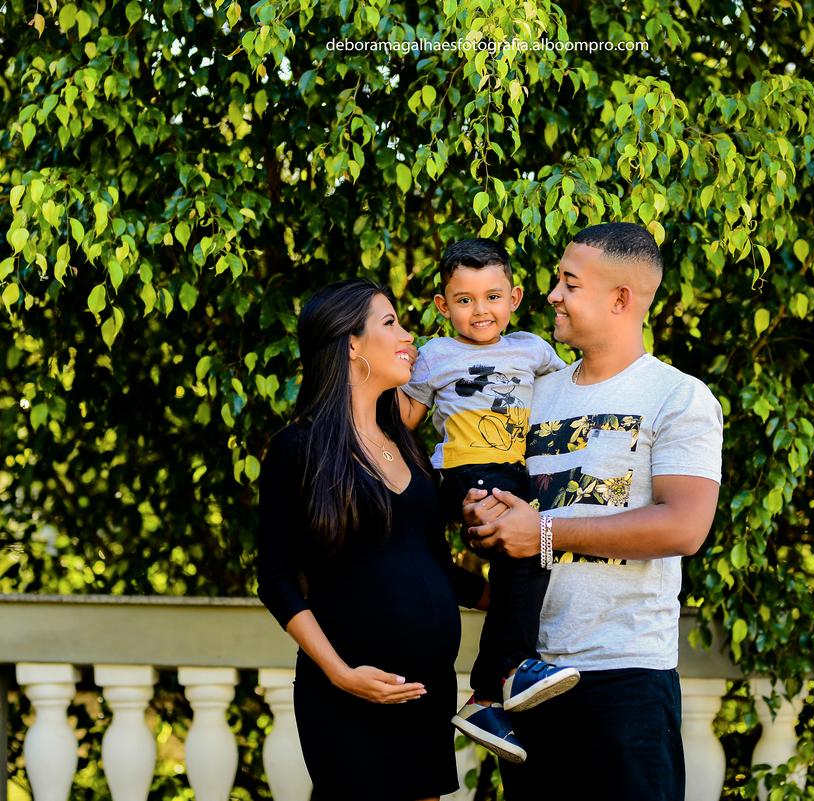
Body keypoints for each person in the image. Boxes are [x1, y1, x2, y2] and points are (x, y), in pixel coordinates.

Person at [462, 222, 724, 801]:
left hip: (625, 676)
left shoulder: (678, 397)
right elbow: (508, 512)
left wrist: (546, 533)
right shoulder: (535, 391)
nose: (552, 294)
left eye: (569, 282)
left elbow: (684, 526)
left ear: (620, 299)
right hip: (528, 682)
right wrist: (486, 518)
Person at [257, 277, 489, 801]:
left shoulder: (406, 446)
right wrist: (341, 674)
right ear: (351, 343)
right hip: (347, 696)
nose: (410, 337)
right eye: (392, 324)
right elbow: (275, 577)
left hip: (425, 694)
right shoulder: (298, 448)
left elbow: (432, 566)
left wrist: (512, 599)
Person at [397, 239, 578, 764]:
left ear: (516, 296)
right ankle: (512, 669)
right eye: (465, 300)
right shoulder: (435, 356)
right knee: (530, 555)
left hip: (516, 473)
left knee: (525, 564)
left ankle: (485, 695)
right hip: (464, 473)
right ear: (441, 306)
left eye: (493, 296)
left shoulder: (535, 351)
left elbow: (565, 399)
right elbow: (403, 421)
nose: (481, 311)